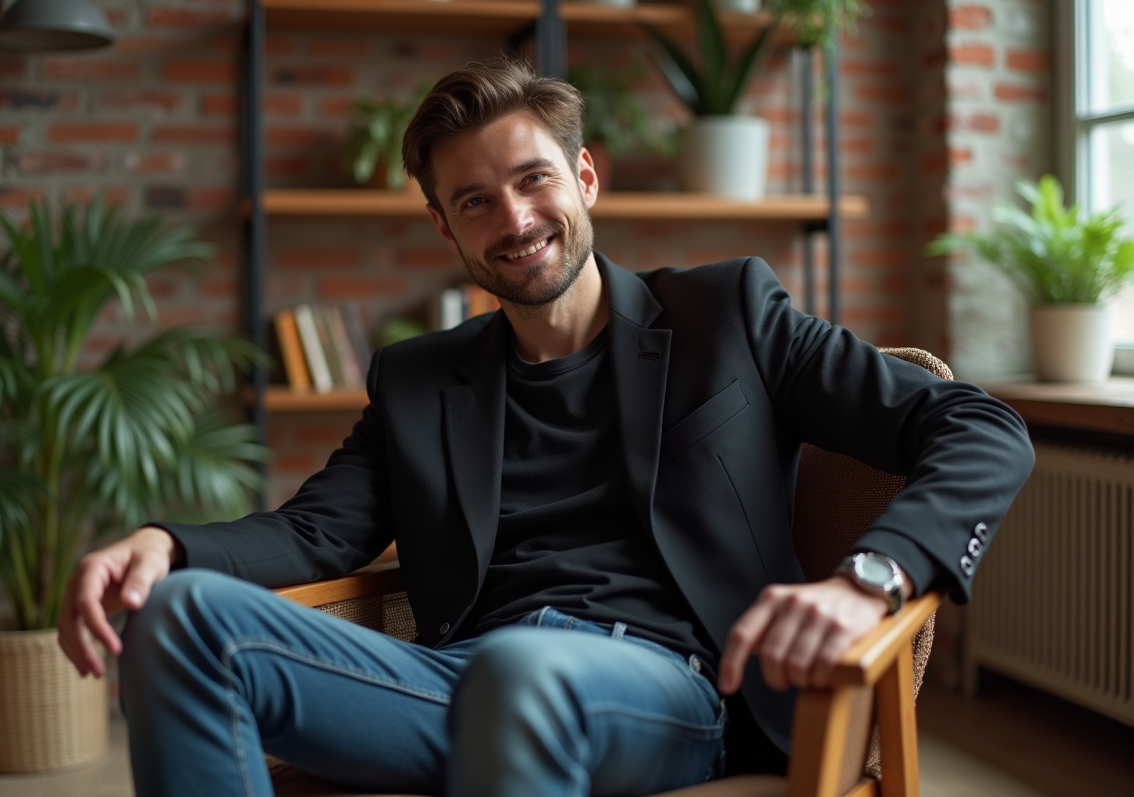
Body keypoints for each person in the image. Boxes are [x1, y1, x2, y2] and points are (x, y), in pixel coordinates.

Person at [58, 58, 1034, 797]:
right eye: (475, 200)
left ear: (586, 178)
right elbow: (318, 531)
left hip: (673, 684)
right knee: (183, 615)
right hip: (456, 677)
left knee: (525, 671)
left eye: (533, 181)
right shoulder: (418, 378)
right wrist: (164, 542)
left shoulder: (727, 313)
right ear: (445, 228)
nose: (514, 218)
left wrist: (872, 577)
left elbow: (980, 426)